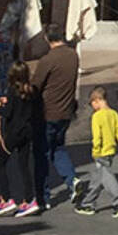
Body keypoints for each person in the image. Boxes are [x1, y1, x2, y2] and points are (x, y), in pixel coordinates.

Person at [29, 24, 81, 208]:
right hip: (66, 111)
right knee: (59, 149)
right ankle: (72, 181)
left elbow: (35, 87)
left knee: (42, 154)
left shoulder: (47, 60)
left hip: (47, 113)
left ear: (46, 39)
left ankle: (43, 197)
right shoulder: (73, 56)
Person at [0, 62, 41, 218]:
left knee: (0, 163)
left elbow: (8, 113)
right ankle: (30, 199)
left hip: (14, 132)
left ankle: (6, 199)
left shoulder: (12, 90)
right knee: (24, 165)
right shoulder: (32, 90)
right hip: (27, 131)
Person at [74, 87, 118, 217]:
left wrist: (95, 150)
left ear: (97, 101)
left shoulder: (97, 116)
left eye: (92, 104)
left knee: (106, 177)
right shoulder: (113, 114)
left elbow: (97, 137)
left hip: (101, 151)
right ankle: (87, 203)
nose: (93, 107)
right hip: (111, 150)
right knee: (98, 178)